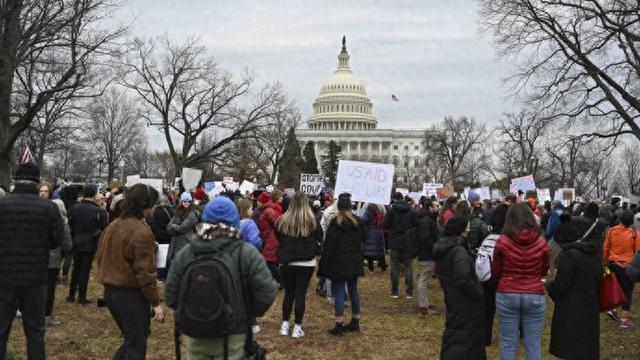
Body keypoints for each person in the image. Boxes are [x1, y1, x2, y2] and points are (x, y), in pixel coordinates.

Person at [165, 196, 276, 359]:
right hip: (234, 334)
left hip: (196, 333)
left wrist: (192, 312)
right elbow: (266, 293)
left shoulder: (187, 253)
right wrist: (248, 313)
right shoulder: (247, 253)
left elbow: (170, 295)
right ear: (235, 220)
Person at [0, 163, 63, 359]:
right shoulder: (49, 207)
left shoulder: (2, 205)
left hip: (4, 276)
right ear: (36, 183)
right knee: (35, 330)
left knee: (1, 328)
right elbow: (56, 241)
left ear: (16, 181)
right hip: (35, 276)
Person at [95, 184, 164, 359]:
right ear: (146, 204)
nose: (154, 208)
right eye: (153, 204)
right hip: (130, 296)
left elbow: (101, 257)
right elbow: (145, 273)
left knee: (135, 339)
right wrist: (156, 303)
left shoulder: (113, 225)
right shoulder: (141, 232)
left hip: (111, 293)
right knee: (136, 345)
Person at [492, 203, 550, 360]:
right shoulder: (542, 242)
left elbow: (496, 271)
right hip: (534, 293)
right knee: (533, 343)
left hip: (507, 292)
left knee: (508, 342)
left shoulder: (502, 241)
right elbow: (544, 271)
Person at [545, 220, 602, 360]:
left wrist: (548, 286)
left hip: (571, 308)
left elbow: (561, 285)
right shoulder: (595, 253)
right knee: (586, 346)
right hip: (591, 304)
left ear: (563, 240)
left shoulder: (569, 256)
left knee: (571, 347)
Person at [433, 215, 486, 360]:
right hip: (463, 300)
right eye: (467, 226)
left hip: (453, 297)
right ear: (461, 229)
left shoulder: (447, 246)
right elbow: (463, 279)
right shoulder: (458, 251)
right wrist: (478, 292)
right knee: (463, 337)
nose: (469, 229)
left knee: (456, 333)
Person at [275, 192, 323, 338]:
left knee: (289, 293)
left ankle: (284, 325)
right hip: (306, 262)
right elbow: (320, 237)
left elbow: (278, 236)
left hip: (288, 261)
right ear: (306, 203)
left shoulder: (283, 220)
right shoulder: (312, 220)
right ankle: (297, 327)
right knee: (300, 293)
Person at [318, 193, 365, 336]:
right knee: (353, 290)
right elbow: (364, 237)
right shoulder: (357, 221)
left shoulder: (335, 223)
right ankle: (355, 320)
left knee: (340, 292)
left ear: (338, 207)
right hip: (354, 261)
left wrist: (323, 264)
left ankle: (339, 324)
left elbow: (329, 245)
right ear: (350, 206)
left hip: (340, 262)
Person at [66, 184, 108, 304]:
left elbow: (69, 224)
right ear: (95, 195)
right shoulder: (99, 210)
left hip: (76, 240)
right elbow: (104, 227)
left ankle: (71, 294)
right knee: (84, 270)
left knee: (76, 269)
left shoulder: (74, 208)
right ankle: (82, 296)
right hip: (90, 243)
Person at [603, 210, 640, 328]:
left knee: (614, 288)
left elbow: (606, 247)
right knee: (627, 292)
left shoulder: (611, 231)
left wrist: (604, 262)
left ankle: (612, 309)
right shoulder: (635, 234)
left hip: (613, 264)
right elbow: (637, 252)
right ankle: (624, 321)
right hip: (628, 267)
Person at [43, 191, 72, 327]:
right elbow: (67, 245)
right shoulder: (63, 224)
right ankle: (47, 316)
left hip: (39, 258)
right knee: (49, 289)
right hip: (54, 260)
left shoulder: (42, 220)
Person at [383, 192, 419, 299]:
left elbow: (385, 225)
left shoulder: (391, 211)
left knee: (394, 266)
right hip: (408, 241)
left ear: (394, 199)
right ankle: (409, 292)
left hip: (394, 241)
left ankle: (395, 292)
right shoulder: (412, 210)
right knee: (408, 266)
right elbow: (418, 224)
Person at [416, 198, 439, 315]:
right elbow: (425, 238)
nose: (438, 208)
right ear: (430, 207)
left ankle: (425, 303)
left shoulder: (429, 219)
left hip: (428, 253)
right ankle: (423, 306)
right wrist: (436, 246)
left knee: (424, 279)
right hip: (427, 254)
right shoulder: (426, 220)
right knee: (423, 280)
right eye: (436, 206)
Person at [257, 190, 284, 284]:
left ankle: (280, 281)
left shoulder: (271, 209)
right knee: (269, 261)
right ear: (276, 197)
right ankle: (281, 281)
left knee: (269, 261)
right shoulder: (270, 210)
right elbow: (279, 223)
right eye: (281, 196)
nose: (282, 198)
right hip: (271, 238)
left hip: (270, 237)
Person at [166, 192, 198, 270]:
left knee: (183, 263)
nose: (187, 203)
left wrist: (173, 226)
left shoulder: (192, 215)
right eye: (185, 201)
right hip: (175, 241)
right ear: (181, 201)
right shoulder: (177, 212)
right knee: (174, 263)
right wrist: (173, 229)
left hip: (185, 241)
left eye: (189, 201)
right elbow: (168, 227)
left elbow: (182, 228)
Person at [361, 203, 387, 273]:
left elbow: (363, 220)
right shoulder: (378, 212)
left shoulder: (368, 212)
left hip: (370, 233)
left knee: (370, 252)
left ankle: (371, 268)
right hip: (379, 233)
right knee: (380, 251)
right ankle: (383, 267)